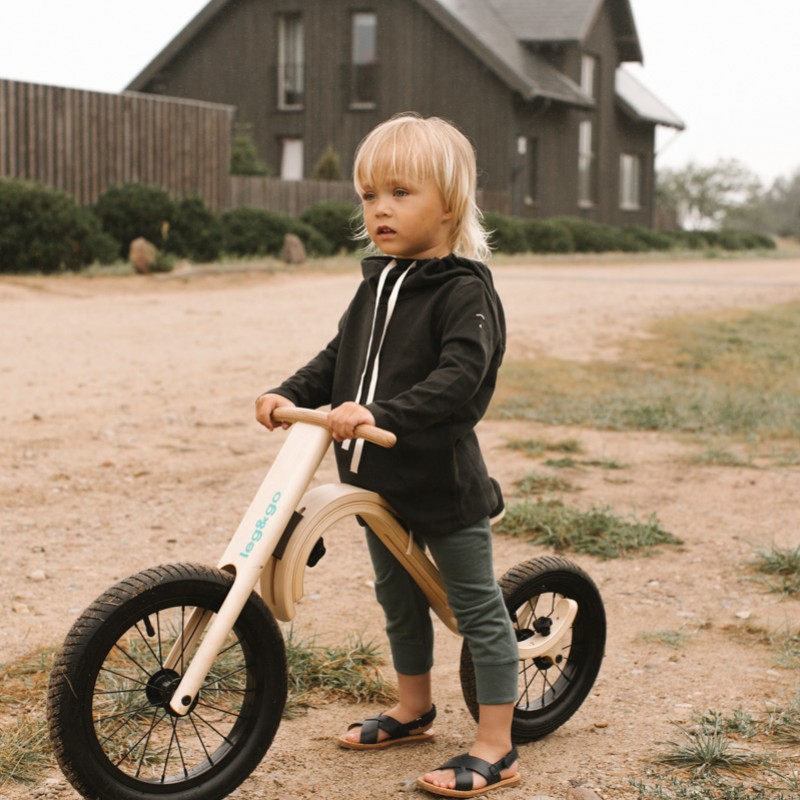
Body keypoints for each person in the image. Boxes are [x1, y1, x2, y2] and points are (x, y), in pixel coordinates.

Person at [255, 112, 520, 797]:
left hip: (441, 485)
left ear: (450, 203)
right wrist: (290, 391)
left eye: (400, 193)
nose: (380, 209)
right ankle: (414, 707)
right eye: (370, 195)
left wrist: (381, 413)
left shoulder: (466, 291)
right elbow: (338, 358)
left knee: (477, 608)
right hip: (377, 483)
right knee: (397, 598)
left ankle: (497, 743)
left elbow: (459, 381)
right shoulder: (375, 284)